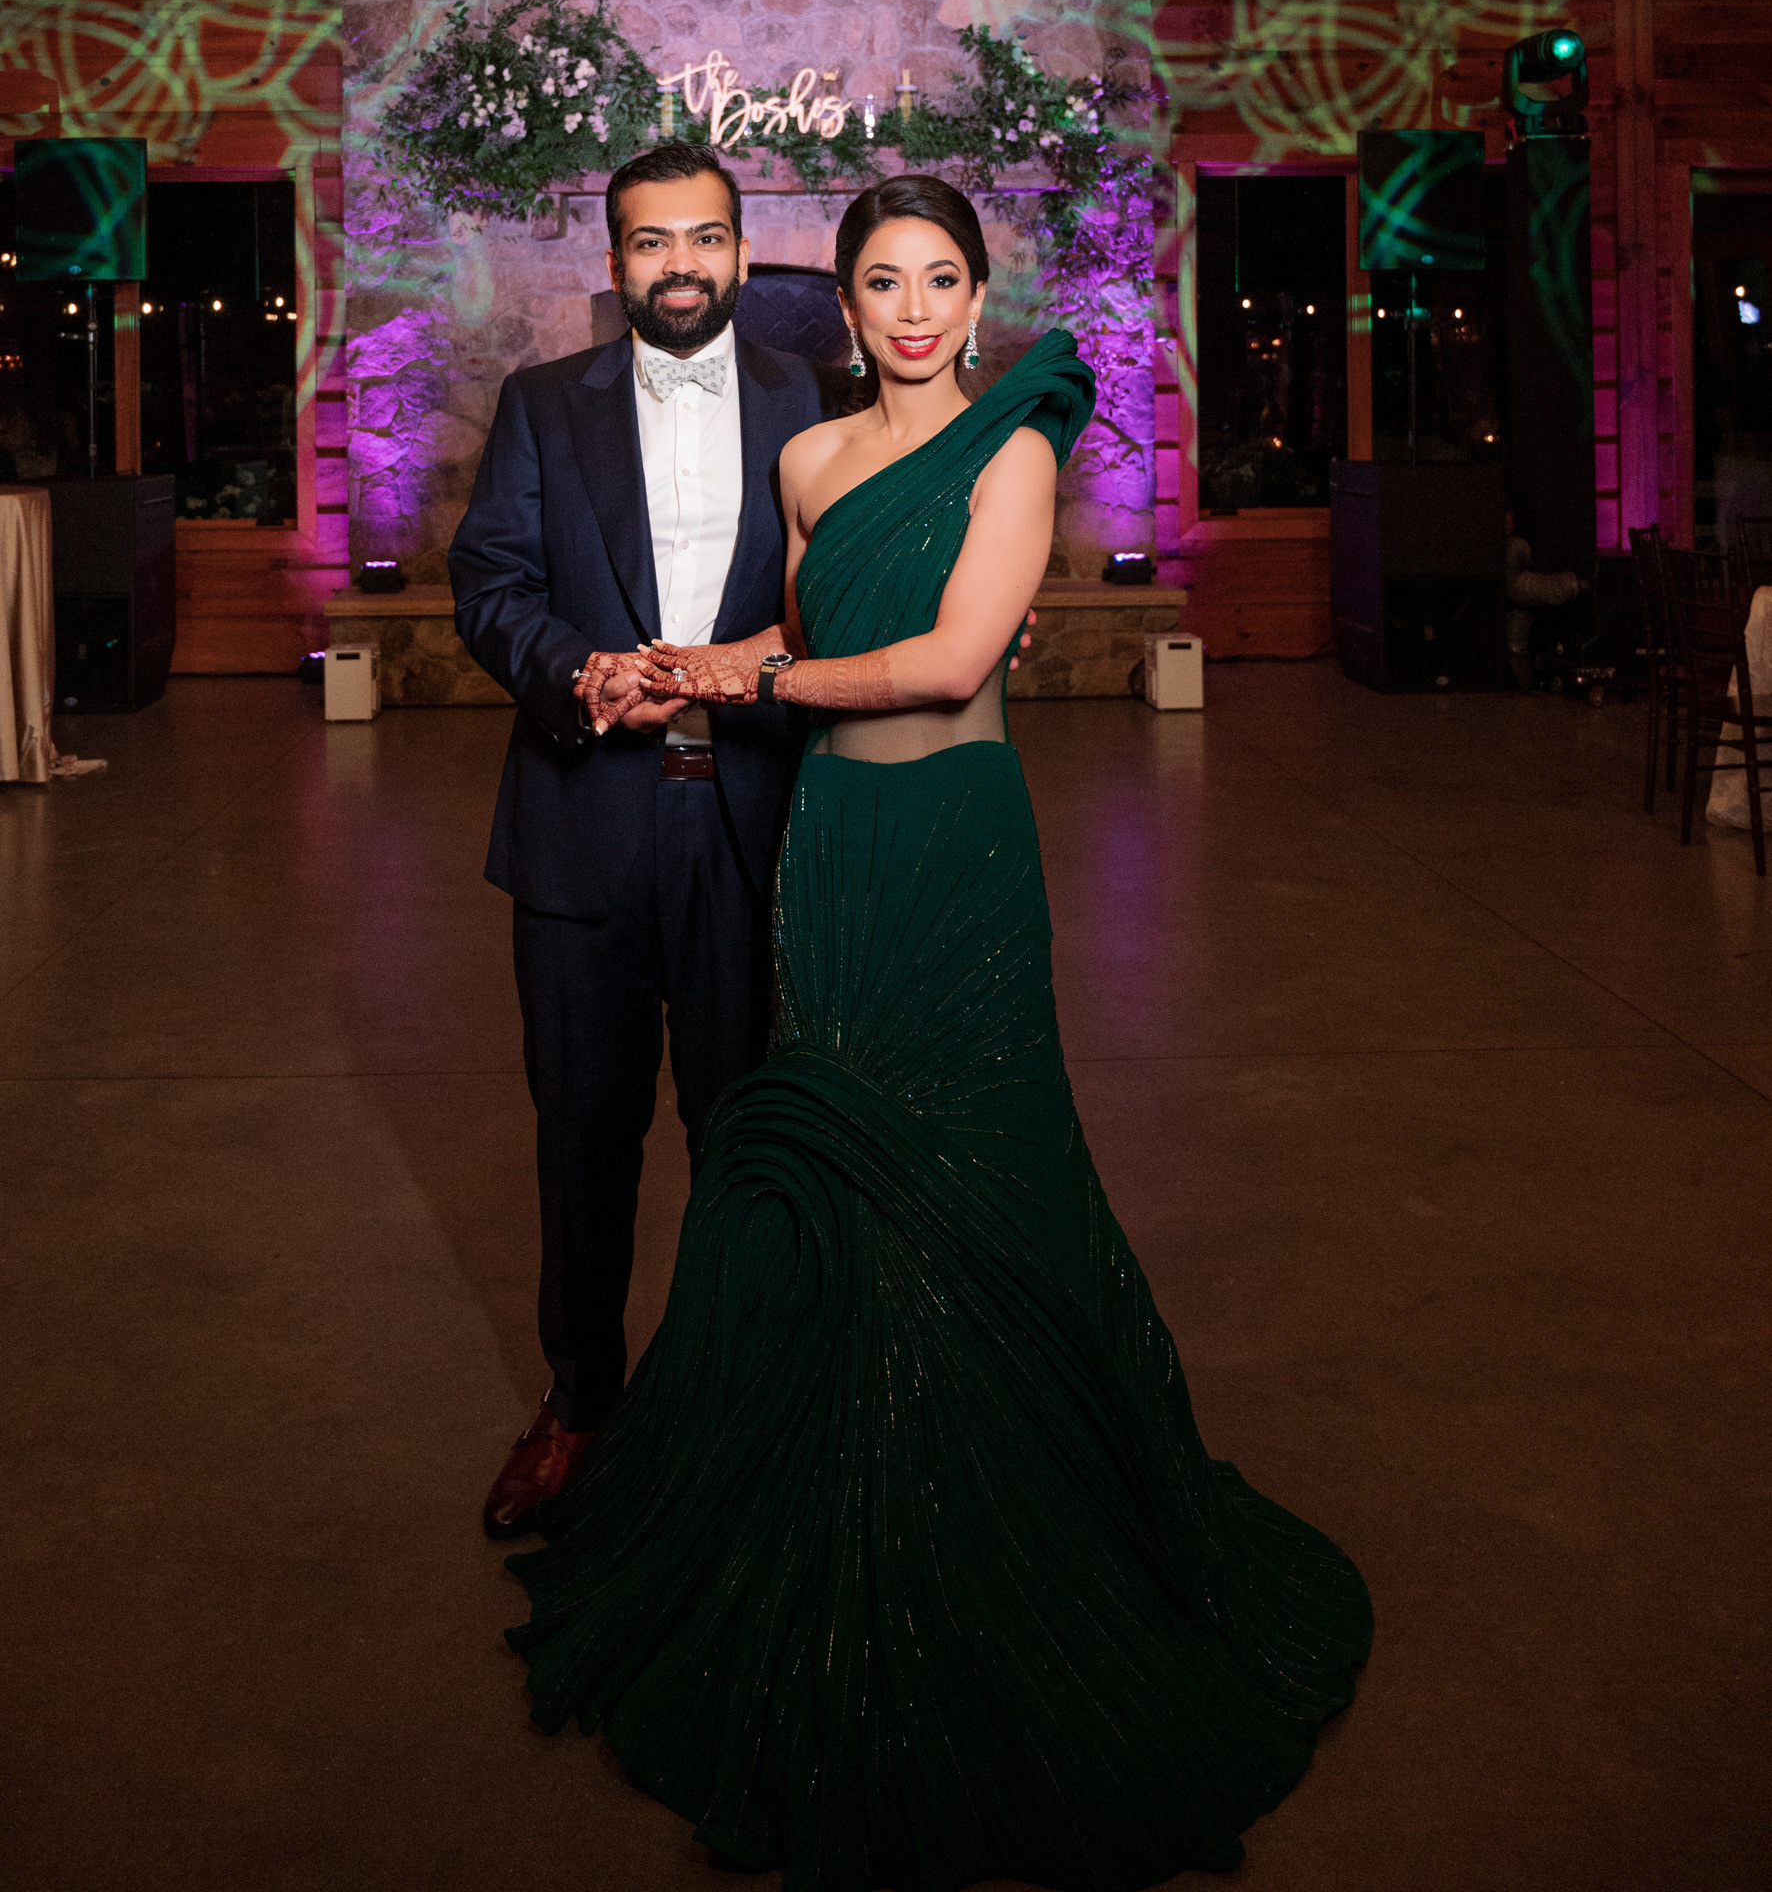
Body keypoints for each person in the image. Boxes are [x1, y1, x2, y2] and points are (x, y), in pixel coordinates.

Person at [506, 175, 1372, 1892]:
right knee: (841, 1186)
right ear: (843, 305)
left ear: (980, 302)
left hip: (955, 862)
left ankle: (1017, 1516)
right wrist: (685, 664)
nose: (911, 308)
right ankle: (838, 1489)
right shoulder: (812, 462)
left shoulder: (1017, 453)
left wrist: (726, 685)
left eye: (941, 280)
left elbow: (942, 659)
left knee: (985, 1173)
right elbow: (810, 634)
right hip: (827, 854)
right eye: (882, 280)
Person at [448, 138, 823, 1537]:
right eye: (652, 243)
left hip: (755, 821)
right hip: (583, 825)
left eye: (705, 239)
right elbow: (486, 577)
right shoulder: (543, 404)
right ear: (615, 264)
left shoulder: (811, 404)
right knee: (583, 1137)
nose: (681, 266)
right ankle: (580, 1400)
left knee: (748, 1134)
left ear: (740, 250)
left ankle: (743, 1400)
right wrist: (571, 668)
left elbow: (844, 585)